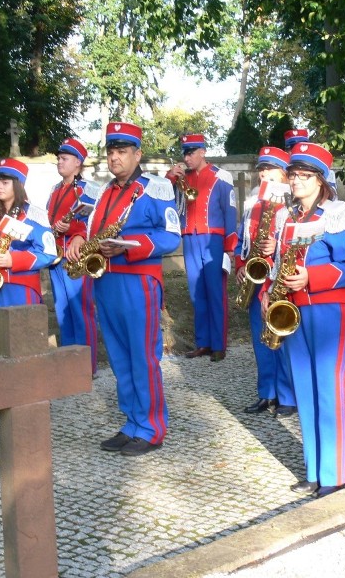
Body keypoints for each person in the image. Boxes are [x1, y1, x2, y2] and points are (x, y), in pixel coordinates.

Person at [263, 142, 345, 498]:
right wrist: (269, 293)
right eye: (292, 175)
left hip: (330, 311)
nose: (295, 181)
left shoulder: (337, 213)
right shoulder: (286, 217)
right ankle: (313, 470)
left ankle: (335, 474)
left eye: (303, 176)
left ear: (320, 180)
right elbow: (278, 264)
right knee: (306, 393)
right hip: (292, 311)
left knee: (330, 392)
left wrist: (313, 277)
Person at [68, 122, 181, 456]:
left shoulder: (155, 189)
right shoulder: (103, 192)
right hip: (106, 281)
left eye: (122, 151)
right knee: (119, 356)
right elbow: (84, 223)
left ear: (137, 154)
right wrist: (77, 236)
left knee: (143, 356)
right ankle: (132, 422)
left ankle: (151, 427)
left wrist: (131, 245)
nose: (115, 158)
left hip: (139, 281)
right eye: (111, 151)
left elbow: (172, 234)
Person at [236, 146, 297, 416]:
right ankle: (267, 393)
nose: (263, 174)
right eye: (261, 169)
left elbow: (301, 240)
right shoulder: (252, 201)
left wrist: (278, 243)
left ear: (283, 174)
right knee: (260, 339)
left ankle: (287, 395)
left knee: (280, 336)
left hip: (280, 276)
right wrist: (241, 264)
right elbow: (242, 237)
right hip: (257, 274)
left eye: (269, 169)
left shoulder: (294, 201)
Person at [167, 134, 237, 362]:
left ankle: (218, 344)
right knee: (197, 292)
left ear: (203, 152)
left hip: (213, 240)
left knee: (215, 292)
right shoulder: (180, 178)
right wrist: (170, 178)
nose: (187, 158)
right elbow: (165, 201)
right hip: (190, 237)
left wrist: (230, 247)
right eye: (185, 153)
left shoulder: (221, 176)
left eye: (191, 152)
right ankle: (203, 342)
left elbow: (230, 211)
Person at [0, 158, 57, 336]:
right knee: (3, 340)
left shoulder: (33, 215)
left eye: (5, 182)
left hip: (22, 287)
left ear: (18, 185)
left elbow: (49, 252)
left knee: (26, 340)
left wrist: (14, 260)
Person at [46, 137, 100, 375]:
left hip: (77, 257)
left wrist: (76, 231)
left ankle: (87, 365)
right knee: (62, 309)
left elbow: (95, 222)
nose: (60, 161)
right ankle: (69, 362)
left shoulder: (89, 189)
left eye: (65, 158)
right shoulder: (55, 190)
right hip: (56, 257)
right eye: (59, 158)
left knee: (80, 309)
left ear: (78, 162)